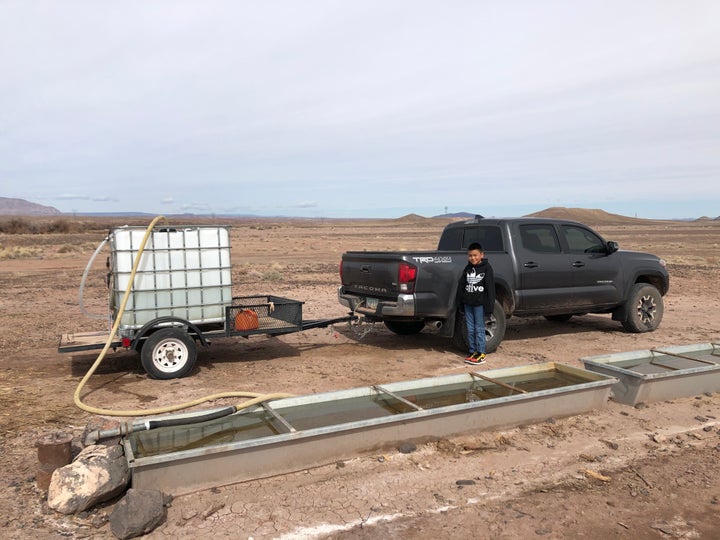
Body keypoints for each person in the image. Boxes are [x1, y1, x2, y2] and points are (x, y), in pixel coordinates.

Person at [457, 242, 495, 365]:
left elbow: (490, 288)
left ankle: (481, 353)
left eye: (475, 255)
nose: (473, 258)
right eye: (470, 256)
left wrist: (489, 308)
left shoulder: (487, 268)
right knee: (470, 329)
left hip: (479, 305)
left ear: (481, 255)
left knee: (479, 328)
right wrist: (460, 303)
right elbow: (462, 286)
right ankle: (473, 351)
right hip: (468, 304)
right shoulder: (467, 268)